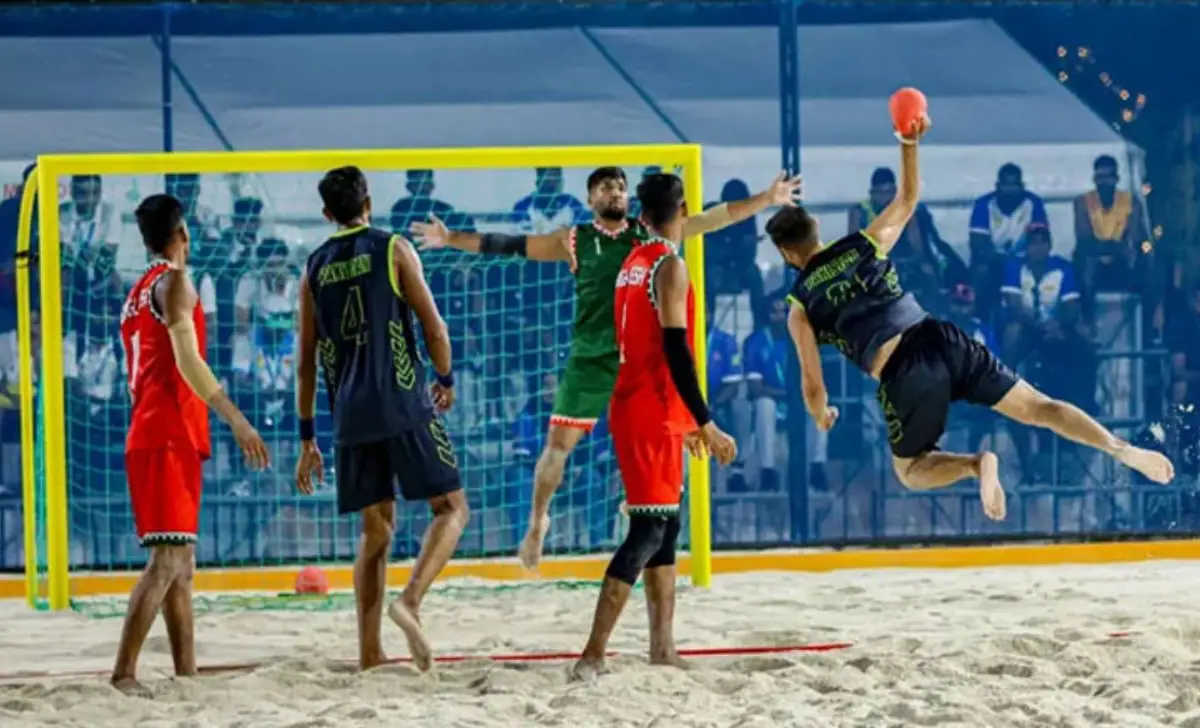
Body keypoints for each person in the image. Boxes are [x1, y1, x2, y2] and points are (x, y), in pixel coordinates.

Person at [765, 116, 1174, 521]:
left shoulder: (799, 305)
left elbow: (812, 384)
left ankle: (976, 464)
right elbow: (908, 198)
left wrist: (820, 414)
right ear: (816, 229)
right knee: (1040, 407)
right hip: (940, 335)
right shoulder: (863, 244)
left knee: (910, 470)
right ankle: (1121, 449)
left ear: (785, 254)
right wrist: (908, 142)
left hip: (900, 369)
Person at [412, 166, 799, 568]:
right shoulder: (576, 239)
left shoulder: (649, 232)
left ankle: (638, 509)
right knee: (557, 447)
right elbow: (511, 244)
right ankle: (537, 522)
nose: (614, 191)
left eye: (619, 186)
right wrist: (451, 238)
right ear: (590, 199)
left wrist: (766, 199)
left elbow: (715, 218)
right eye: (604, 186)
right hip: (590, 359)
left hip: (639, 360)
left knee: (659, 444)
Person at [293, 166, 467, 672]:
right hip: (401, 399)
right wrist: (446, 378)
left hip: (348, 414)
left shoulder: (314, 266)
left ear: (328, 214)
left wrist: (307, 436)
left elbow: (305, 359)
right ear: (369, 201)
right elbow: (434, 327)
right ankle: (409, 601)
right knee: (451, 509)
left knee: (375, 532)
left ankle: (370, 653)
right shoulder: (393, 249)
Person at [573, 173, 737, 680]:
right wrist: (706, 421)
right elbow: (674, 350)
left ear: (641, 213)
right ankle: (592, 654)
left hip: (642, 406)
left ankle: (662, 647)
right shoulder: (669, 265)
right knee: (648, 529)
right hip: (650, 409)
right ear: (682, 210)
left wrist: (686, 420)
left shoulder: (632, 262)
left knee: (667, 526)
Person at [112, 194, 270, 697]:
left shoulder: (137, 290)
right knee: (165, 563)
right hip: (167, 433)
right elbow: (188, 362)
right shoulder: (175, 283)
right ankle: (123, 674)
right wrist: (236, 419)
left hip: (158, 430)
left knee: (181, 564)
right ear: (183, 235)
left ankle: (186, 673)